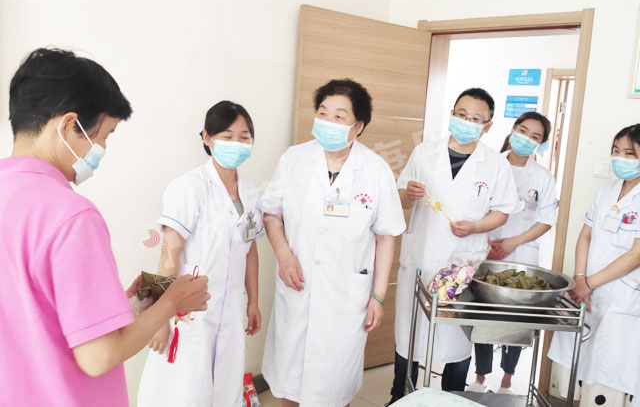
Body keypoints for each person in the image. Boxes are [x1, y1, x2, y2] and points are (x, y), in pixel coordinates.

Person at [0, 48, 210, 407]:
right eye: (104, 135)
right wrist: (172, 301)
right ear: (69, 125)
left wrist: (124, 305)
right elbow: (98, 356)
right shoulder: (70, 215)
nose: (101, 149)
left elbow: (32, 311)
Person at [259, 79, 406, 407]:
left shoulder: (376, 170)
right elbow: (271, 213)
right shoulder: (294, 159)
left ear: (358, 126)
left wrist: (378, 297)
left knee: (336, 385)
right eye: (323, 113)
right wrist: (283, 255)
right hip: (298, 286)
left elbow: (386, 237)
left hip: (345, 295)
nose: (327, 122)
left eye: (339, 116)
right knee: (290, 381)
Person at [388, 88, 520, 404]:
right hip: (420, 257)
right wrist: (409, 195)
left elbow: (502, 212)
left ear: (487, 126)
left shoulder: (494, 164)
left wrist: (475, 227)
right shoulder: (424, 152)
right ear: (451, 114)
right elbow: (400, 197)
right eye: (461, 115)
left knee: (456, 340)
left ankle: (453, 398)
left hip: (462, 263)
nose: (466, 122)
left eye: (475, 118)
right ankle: (397, 397)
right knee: (409, 334)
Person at [138, 101, 263, 407]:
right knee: (183, 393)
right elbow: (167, 253)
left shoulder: (250, 193)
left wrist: (254, 302)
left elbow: (250, 251)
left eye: (244, 137)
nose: (237, 144)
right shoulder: (188, 188)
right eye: (227, 136)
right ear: (207, 137)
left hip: (230, 312)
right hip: (188, 313)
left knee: (224, 392)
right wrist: (157, 317)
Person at [549, 124, 640, 405]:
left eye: (630, 153)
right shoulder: (607, 191)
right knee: (581, 368)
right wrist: (580, 278)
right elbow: (585, 235)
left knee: (608, 376)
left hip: (622, 297)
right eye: (616, 151)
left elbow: (636, 255)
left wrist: (588, 283)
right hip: (589, 289)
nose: (620, 158)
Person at [468, 112, 558, 395]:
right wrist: (487, 240)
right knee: (484, 316)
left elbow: (546, 220)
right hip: (485, 248)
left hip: (521, 255)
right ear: (513, 129)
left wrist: (513, 242)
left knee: (516, 320)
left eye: (535, 136)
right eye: (523, 130)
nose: (526, 138)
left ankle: (507, 380)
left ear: (541, 144)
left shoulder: (542, 177)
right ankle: (480, 377)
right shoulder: (489, 164)